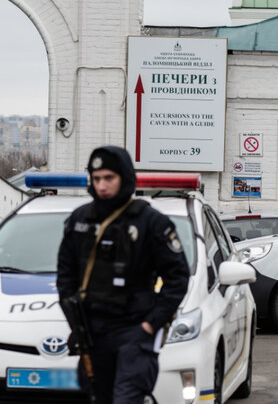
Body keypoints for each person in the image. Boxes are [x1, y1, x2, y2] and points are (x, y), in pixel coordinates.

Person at [57, 145, 190, 403]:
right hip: (92, 333)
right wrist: (76, 319)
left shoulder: (151, 222)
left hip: (133, 330)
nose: (102, 186)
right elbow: (66, 275)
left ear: (125, 178)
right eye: (96, 179)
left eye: (109, 178)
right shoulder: (80, 220)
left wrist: (150, 324)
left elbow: (177, 278)